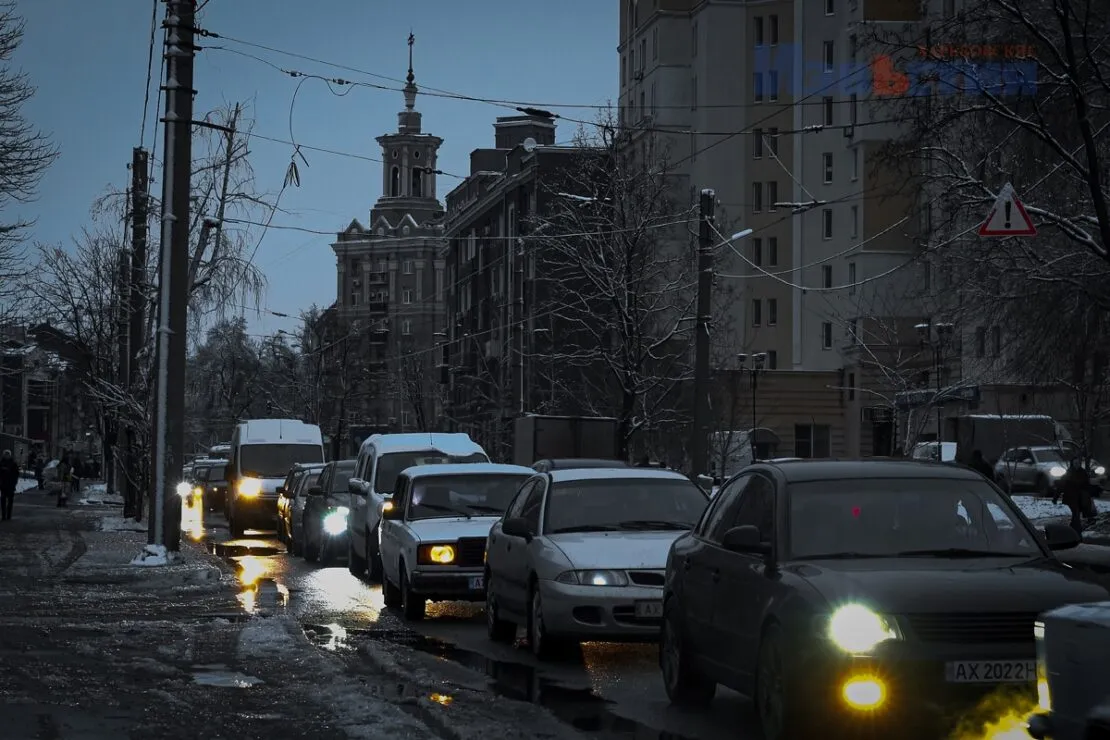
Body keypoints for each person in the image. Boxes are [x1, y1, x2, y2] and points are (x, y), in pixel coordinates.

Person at [1061, 458, 1091, 535]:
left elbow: (1087, 484)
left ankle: (1073, 528)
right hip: (1071, 497)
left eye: (1078, 463)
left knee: (1077, 513)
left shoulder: (1083, 472)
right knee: (1075, 513)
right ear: (1073, 464)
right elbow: (1062, 485)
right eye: (1075, 463)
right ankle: (1076, 530)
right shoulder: (1069, 472)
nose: (1077, 464)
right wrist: (1055, 497)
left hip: (1080, 497)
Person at [0, 449, 20, 521]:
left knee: (10, 501)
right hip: (3, 485)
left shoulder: (13, 463)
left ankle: (9, 515)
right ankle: (3, 515)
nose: (6, 455)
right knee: (3, 501)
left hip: (11, 485)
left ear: (10, 455)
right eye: (5, 454)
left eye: (8, 454)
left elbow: (16, 474)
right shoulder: (1, 462)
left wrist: (14, 482)